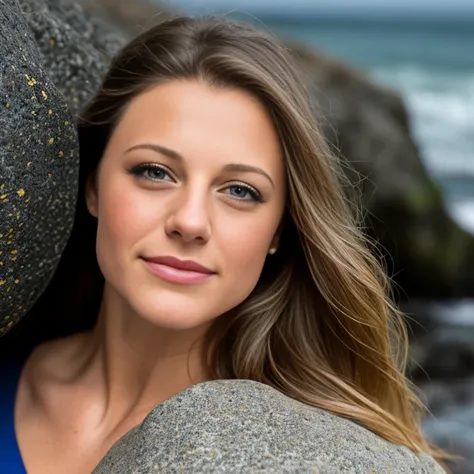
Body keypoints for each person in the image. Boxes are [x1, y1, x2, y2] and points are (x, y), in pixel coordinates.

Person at [0, 15, 448, 473]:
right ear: (93, 186)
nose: (190, 222)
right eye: (155, 171)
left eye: (240, 191)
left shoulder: (314, 458)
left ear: (279, 230)